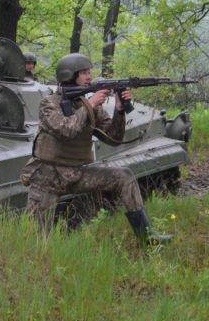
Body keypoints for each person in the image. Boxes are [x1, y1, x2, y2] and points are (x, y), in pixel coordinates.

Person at [20, 53, 171, 244]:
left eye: (89, 71)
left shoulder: (89, 105)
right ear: (69, 75)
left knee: (124, 176)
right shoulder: (49, 104)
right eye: (84, 72)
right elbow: (66, 130)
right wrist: (90, 104)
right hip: (47, 177)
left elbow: (114, 138)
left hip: (76, 173)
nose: (90, 76)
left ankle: (148, 237)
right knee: (38, 239)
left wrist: (119, 110)